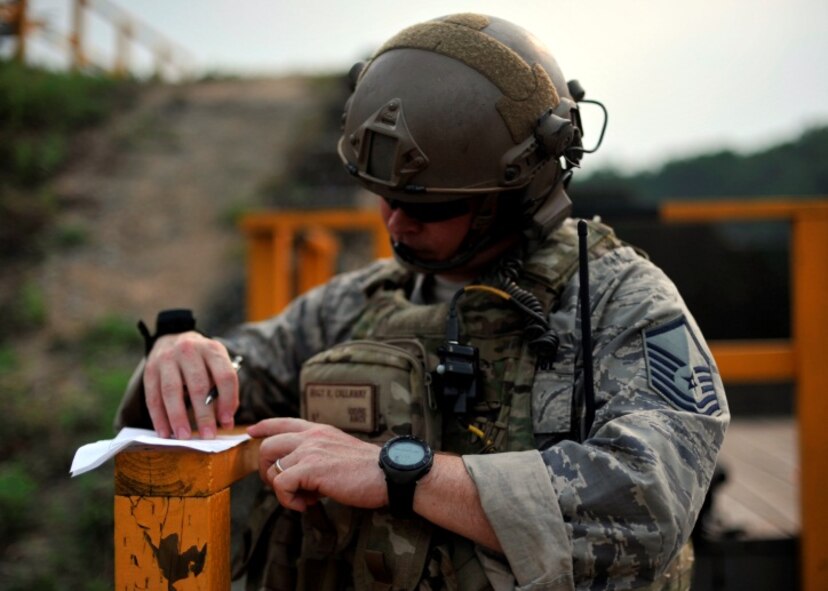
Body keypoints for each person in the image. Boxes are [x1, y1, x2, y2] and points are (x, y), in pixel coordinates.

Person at [115, 13, 728, 591]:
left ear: (519, 190)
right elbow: (244, 364)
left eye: (429, 208)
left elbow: (647, 502)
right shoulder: (354, 305)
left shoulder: (620, 304)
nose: (396, 222)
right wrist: (186, 357)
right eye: (381, 195)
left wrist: (399, 472)